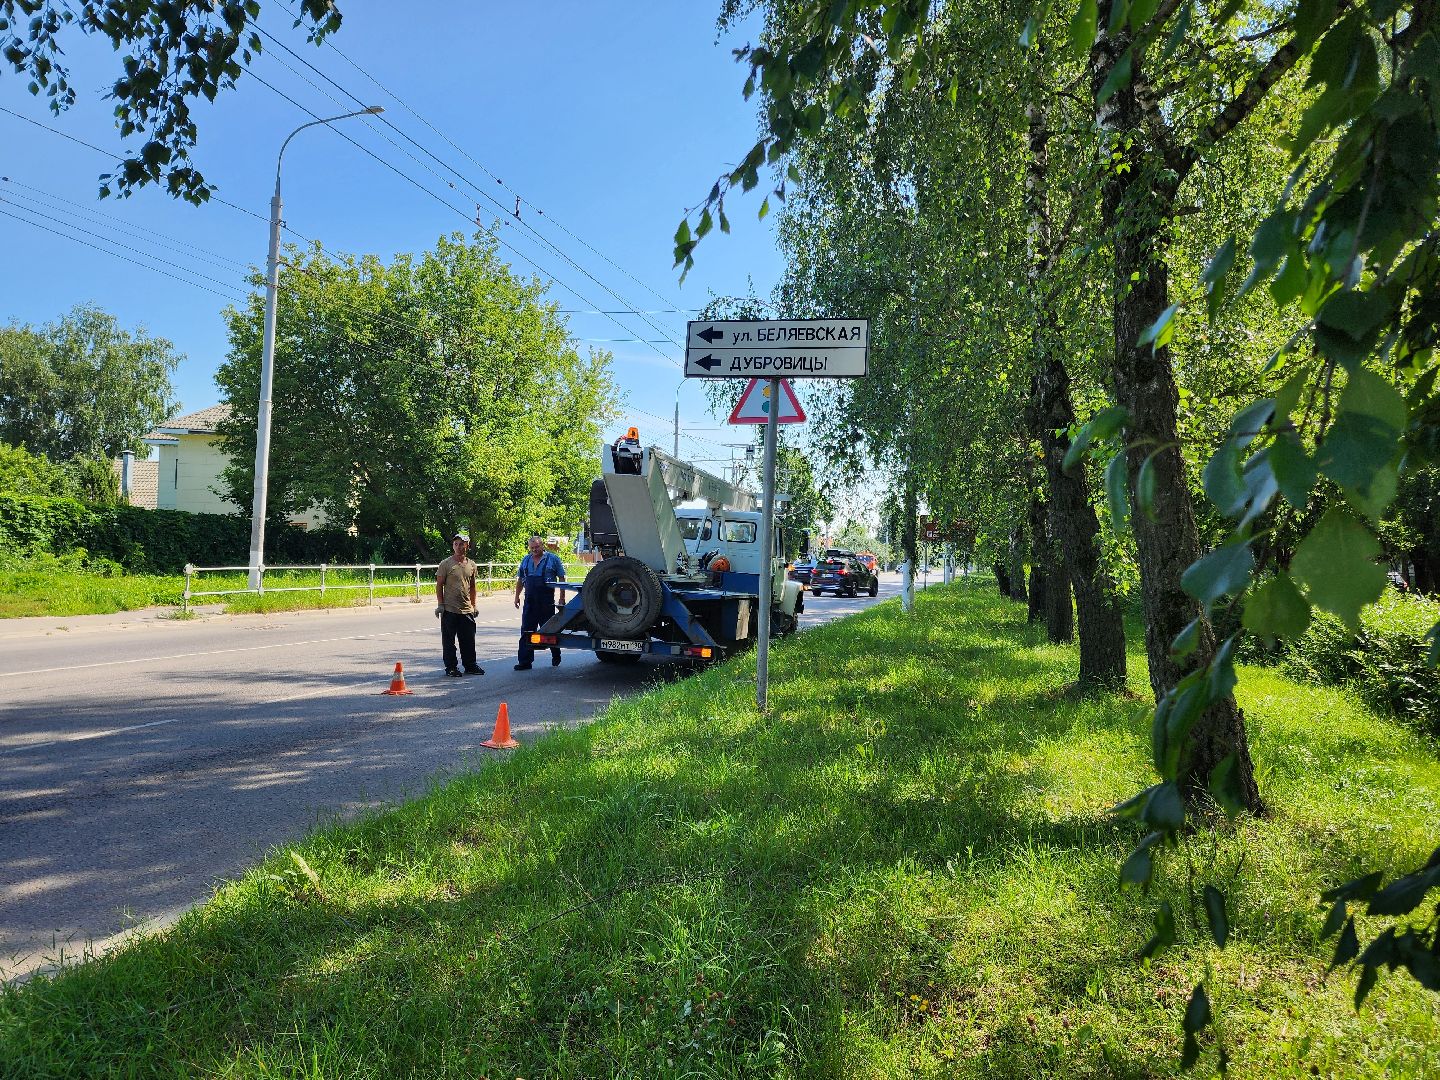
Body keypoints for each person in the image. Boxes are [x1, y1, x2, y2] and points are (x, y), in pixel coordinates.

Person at [514, 534, 566, 670]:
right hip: (530, 602)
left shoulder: (553, 559)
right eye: (532, 548)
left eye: (537, 547)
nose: (534, 550)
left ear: (542, 545)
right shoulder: (525, 560)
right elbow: (520, 580)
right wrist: (517, 596)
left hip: (546, 602)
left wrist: (562, 598)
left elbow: (562, 578)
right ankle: (525, 661)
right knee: (526, 631)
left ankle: (556, 654)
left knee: (549, 631)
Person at [435, 533, 484, 677]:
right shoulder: (446, 564)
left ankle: (470, 665)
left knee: (468, 640)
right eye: (456, 544)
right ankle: (451, 667)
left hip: (466, 609)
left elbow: (473, 586)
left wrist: (474, 605)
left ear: (467, 546)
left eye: (461, 544)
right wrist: (440, 605)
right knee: (449, 641)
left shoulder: (471, 564)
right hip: (450, 608)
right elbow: (439, 585)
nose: (458, 547)